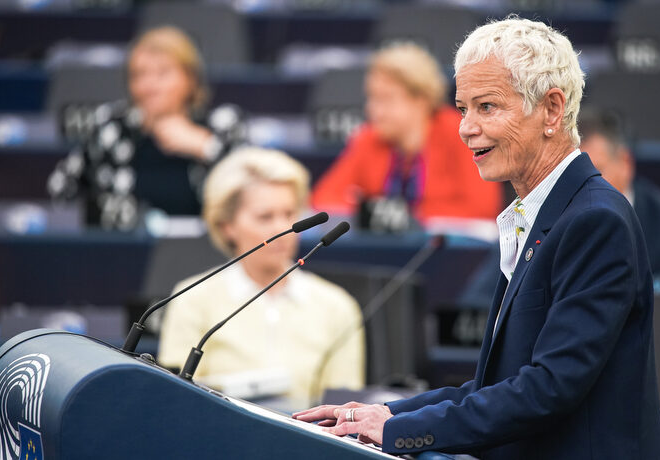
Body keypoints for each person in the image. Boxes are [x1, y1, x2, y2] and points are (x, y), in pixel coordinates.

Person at [294, 17, 660, 459]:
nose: (465, 128)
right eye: (462, 108)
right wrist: (386, 413)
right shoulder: (549, 211)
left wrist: (398, 430)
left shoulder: (594, 220)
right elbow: (498, 386)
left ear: (552, 109)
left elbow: (548, 389)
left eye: (487, 107)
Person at [158, 147, 365, 409]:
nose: (283, 229)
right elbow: (177, 400)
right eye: (265, 216)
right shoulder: (191, 297)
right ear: (227, 226)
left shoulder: (337, 306)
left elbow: (343, 411)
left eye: (290, 214)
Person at [47, 26, 245, 230]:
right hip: (125, 252)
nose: (148, 86)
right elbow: (62, 189)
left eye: (162, 73)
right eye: (138, 75)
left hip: (206, 253)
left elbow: (253, 193)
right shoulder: (111, 127)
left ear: (190, 79)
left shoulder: (222, 125)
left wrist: (205, 147)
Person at [311, 43, 502, 224]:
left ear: (421, 100)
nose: (373, 110)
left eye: (385, 99)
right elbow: (323, 198)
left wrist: (405, 217)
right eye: (371, 98)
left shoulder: (461, 134)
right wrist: (367, 210)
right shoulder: (369, 138)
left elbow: (482, 209)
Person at [580, 106, 660, 291]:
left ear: (625, 163)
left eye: (595, 172)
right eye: (575, 174)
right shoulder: (554, 224)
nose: (583, 185)